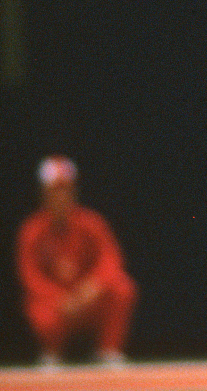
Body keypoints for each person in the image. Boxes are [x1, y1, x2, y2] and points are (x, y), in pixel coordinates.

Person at [15, 155, 137, 369]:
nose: (61, 197)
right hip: (58, 305)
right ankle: (52, 353)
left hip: (88, 299)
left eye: (66, 190)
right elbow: (30, 276)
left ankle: (108, 350)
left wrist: (92, 288)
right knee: (37, 309)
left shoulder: (92, 223)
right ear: (44, 194)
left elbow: (111, 261)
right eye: (55, 191)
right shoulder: (32, 230)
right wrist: (59, 297)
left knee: (122, 288)